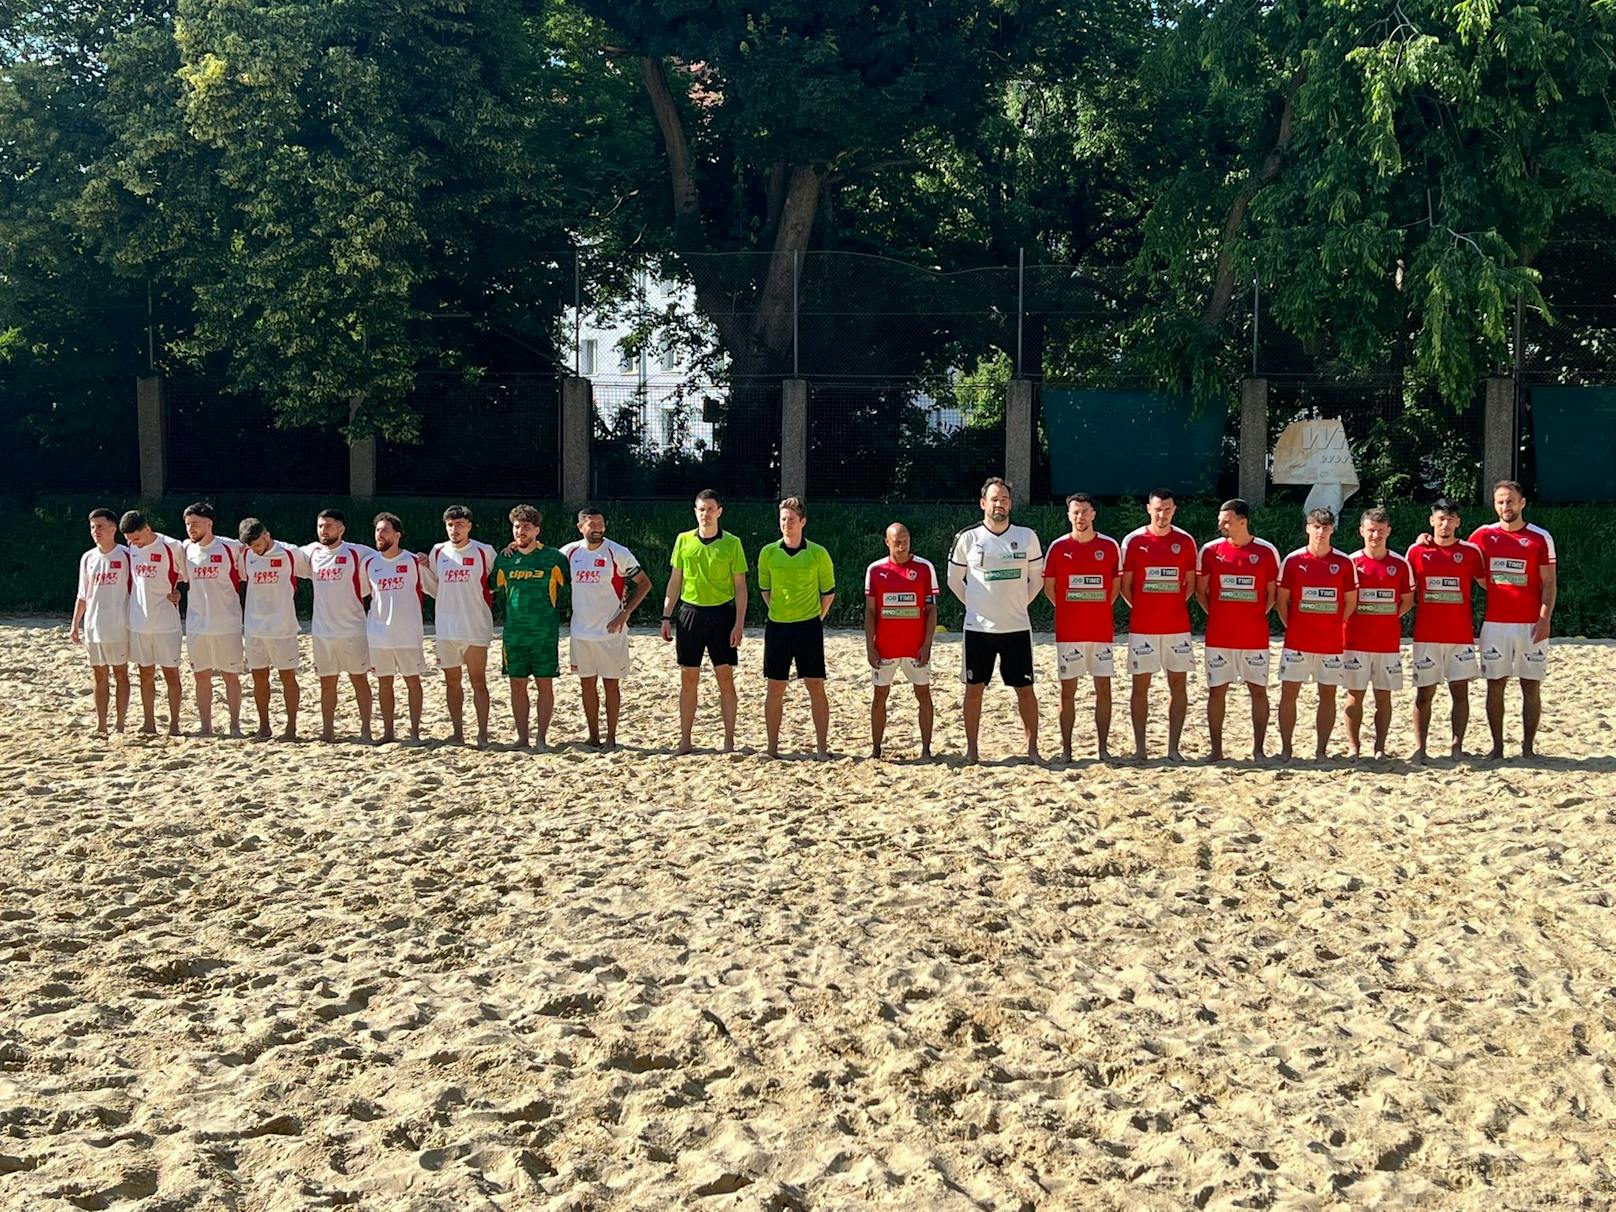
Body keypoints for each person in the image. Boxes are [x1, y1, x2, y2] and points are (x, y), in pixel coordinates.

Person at [948, 477, 1044, 763]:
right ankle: (972, 751)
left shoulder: (1027, 537)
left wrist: (1017, 604)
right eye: (994, 499)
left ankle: (1032, 750)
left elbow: (1036, 581)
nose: (999, 504)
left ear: (1010, 504)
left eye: (1003, 499)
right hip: (978, 629)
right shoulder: (968, 538)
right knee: (974, 689)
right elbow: (955, 581)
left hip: (1016, 627)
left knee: (1025, 690)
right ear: (983, 504)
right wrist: (977, 605)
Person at [1471, 480, 1557, 758]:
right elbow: (1456, 554)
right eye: (1499, 502)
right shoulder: (1483, 535)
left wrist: (1544, 618)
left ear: (1522, 503)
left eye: (1510, 501)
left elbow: (1549, 583)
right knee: (1495, 684)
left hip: (1531, 623)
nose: (1505, 507)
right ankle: (1497, 748)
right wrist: (1426, 538)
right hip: (1495, 624)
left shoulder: (1539, 537)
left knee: (1530, 685)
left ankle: (1528, 748)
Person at [661, 490, 748, 756]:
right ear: (695, 511)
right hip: (690, 614)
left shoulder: (732, 543)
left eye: (710, 509)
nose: (705, 514)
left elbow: (741, 587)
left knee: (725, 679)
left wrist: (739, 624)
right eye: (701, 509)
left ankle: (729, 741)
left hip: (721, 615)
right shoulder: (683, 540)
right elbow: (675, 581)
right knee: (688, 679)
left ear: (719, 511)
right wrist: (666, 615)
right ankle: (685, 740)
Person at [1195, 498, 1281, 761]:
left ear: (1242, 522)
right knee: (1217, 691)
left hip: (1254, 637)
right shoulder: (1210, 551)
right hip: (1219, 636)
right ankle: (1216, 751)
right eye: (1221, 520)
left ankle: (1258, 750)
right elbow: (1201, 592)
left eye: (1226, 521)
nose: (1220, 524)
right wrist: (1220, 615)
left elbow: (1272, 595)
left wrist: (1253, 615)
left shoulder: (1266, 552)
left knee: (1258, 690)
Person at [561, 507, 651, 749]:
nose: (597, 529)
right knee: (586, 685)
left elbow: (644, 584)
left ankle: (611, 737)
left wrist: (625, 614)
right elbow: (541, 561)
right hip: (581, 632)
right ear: (581, 527)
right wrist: (514, 548)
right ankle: (593, 736)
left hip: (611, 632)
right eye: (591, 524)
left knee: (611, 685)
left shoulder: (618, 552)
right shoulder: (569, 553)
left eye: (600, 524)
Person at [1119, 489, 1198, 761]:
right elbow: (1126, 587)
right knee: (1140, 688)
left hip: (1177, 627)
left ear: (1174, 510)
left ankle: (1173, 748)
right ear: (1148, 509)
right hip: (1143, 628)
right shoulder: (1133, 541)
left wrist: (1171, 605)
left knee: (1178, 686)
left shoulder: (1185, 541)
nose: (1162, 514)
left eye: (1167, 509)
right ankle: (1141, 748)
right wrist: (1144, 608)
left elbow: (1190, 585)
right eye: (1157, 509)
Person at [1042, 493, 1121, 761]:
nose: (1080, 517)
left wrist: (1094, 607)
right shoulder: (1057, 547)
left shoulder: (1109, 546)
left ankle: (1102, 748)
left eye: (1085, 511)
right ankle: (1066, 749)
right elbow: (1050, 589)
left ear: (1093, 514)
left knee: (1104, 690)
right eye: (1075, 512)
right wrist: (1070, 608)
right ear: (1068, 515)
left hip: (1100, 632)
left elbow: (1115, 588)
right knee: (1067, 692)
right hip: (1069, 632)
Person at [1276, 508, 1358, 761]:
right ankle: (1286, 749)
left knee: (1328, 696)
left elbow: (1350, 603)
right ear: (1307, 528)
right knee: (1289, 694)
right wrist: (1295, 627)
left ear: (1333, 529)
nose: (1320, 532)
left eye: (1325, 527)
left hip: (1331, 643)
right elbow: (1282, 602)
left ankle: (1321, 750)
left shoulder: (1344, 563)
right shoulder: (1292, 560)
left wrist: (1332, 625)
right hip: (1297, 642)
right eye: (1316, 526)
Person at [757, 497, 837, 757]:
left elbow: (828, 593)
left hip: (808, 628)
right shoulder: (768, 552)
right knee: (775, 687)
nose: (786, 524)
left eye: (791, 519)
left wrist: (817, 617)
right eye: (782, 519)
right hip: (778, 628)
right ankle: (771, 748)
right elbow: (765, 590)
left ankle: (822, 748)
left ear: (802, 521)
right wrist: (779, 611)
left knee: (815, 685)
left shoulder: (818, 553)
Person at [1407, 499, 1486, 760]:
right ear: (1432, 521)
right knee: (1424, 693)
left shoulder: (1471, 553)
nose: (1445, 524)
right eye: (1440, 519)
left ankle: (1457, 746)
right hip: (1427, 636)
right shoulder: (1416, 552)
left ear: (1458, 522)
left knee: (1460, 692)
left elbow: (1492, 584)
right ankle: (1420, 747)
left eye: (1450, 519)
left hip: (1460, 636)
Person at [494, 504, 570, 750]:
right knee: (517, 684)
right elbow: (490, 586)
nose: (521, 532)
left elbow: (571, 589)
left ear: (537, 530)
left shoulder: (554, 558)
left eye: (526, 527)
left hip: (544, 634)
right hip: (514, 634)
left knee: (544, 684)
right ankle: (522, 737)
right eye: (517, 527)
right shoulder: (505, 559)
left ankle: (541, 739)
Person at [1343, 507, 1414, 759]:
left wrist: (1389, 617)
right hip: (1354, 641)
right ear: (1362, 531)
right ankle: (1354, 747)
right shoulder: (1350, 562)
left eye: (1381, 531)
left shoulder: (1399, 564)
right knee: (1355, 698)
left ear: (1389, 532)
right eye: (1371, 530)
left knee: (1383, 698)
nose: (1376, 536)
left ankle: (1380, 747)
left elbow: (1407, 600)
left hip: (1387, 643)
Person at [864, 523, 939, 759]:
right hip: (885, 647)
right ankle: (876, 750)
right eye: (897, 541)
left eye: (905, 540)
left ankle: (926, 750)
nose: (902, 545)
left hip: (915, 648)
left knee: (923, 695)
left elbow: (931, 610)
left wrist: (927, 645)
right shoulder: (875, 570)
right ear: (887, 542)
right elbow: (870, 612)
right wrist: (870, 646)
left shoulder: (925, 568)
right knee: (879, 697)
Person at [302, 509, 376, 743]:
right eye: (321, 526)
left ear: (341, 529)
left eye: (329, 526)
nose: (324, 530)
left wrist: (421, 559)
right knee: (327, 683)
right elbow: (280, 551)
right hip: (322, 631)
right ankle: (328, 731)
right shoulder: (311, 552)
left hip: (352, 629)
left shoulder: (358, 552)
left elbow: (390, 557)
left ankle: (366, 729)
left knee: (359, 680)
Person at [363, 512, 436, 744]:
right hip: (378, 635)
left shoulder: (414, 561)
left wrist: (428, 564)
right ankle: (388, 732)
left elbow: (435, 590)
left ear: (397, 535)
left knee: (412, 682)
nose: (379, 535)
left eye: (384, 530)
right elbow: (364, 594)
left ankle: (414, 733)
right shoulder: (370, 563)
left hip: (407, 634)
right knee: (384, 682)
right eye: (377, 530)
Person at [429, 505, 497, 746]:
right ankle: (457, 732)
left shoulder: (484, 552)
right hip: (446, 627)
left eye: (459, 525)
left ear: (469, 526)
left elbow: (496, 581)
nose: (454, 530)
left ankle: (482, 733)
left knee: (478, 681)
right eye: (450, 525)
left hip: (475, 626)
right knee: (452, 682)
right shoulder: (438, 552)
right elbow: (435, 585)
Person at [239, 517, 312, 740]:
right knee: (258, 677)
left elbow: (315, 569)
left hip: (282, 627)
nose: (255, 549)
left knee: (287, 677)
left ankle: (291, 728)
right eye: (250, 546)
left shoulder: (290, 553)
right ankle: (264, 726)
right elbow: (242, 578)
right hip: (254, 628)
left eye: (258, 544)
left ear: (267, 535)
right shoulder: (245, 555)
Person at [181, 501, 246, 737]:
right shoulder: (185, 549)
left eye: (196, 524)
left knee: (230, 675)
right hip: (197, 623)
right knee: (201, 676)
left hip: (226, 623)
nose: (191, 528)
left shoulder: (231, 548)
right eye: (188, 524)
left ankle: (235, 725)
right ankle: (206, 726)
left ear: (210, 524)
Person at [120, 509, 186, 736]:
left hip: (166, 621)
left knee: (171, 673)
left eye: (136, 538)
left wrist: (178, 592)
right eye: (129, 541)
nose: (134, 544)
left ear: (147, 529)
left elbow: (187, 575)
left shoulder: (172, 546)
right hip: (139, 621)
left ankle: (175, 723)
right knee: (145, 673)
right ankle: (149, 722)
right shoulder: (131, 548)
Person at [71, 507, 132, 736]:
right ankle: (101, 725)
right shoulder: (88, 558)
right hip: (93, 626)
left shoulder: (126, 555)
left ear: (113, 528)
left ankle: (120, 724)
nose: (96, 531)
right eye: (93, 527)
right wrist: (75, 624)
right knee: (99, 675)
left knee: (120, 673)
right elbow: (83, 594)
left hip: (119, 625)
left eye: (100, 526)